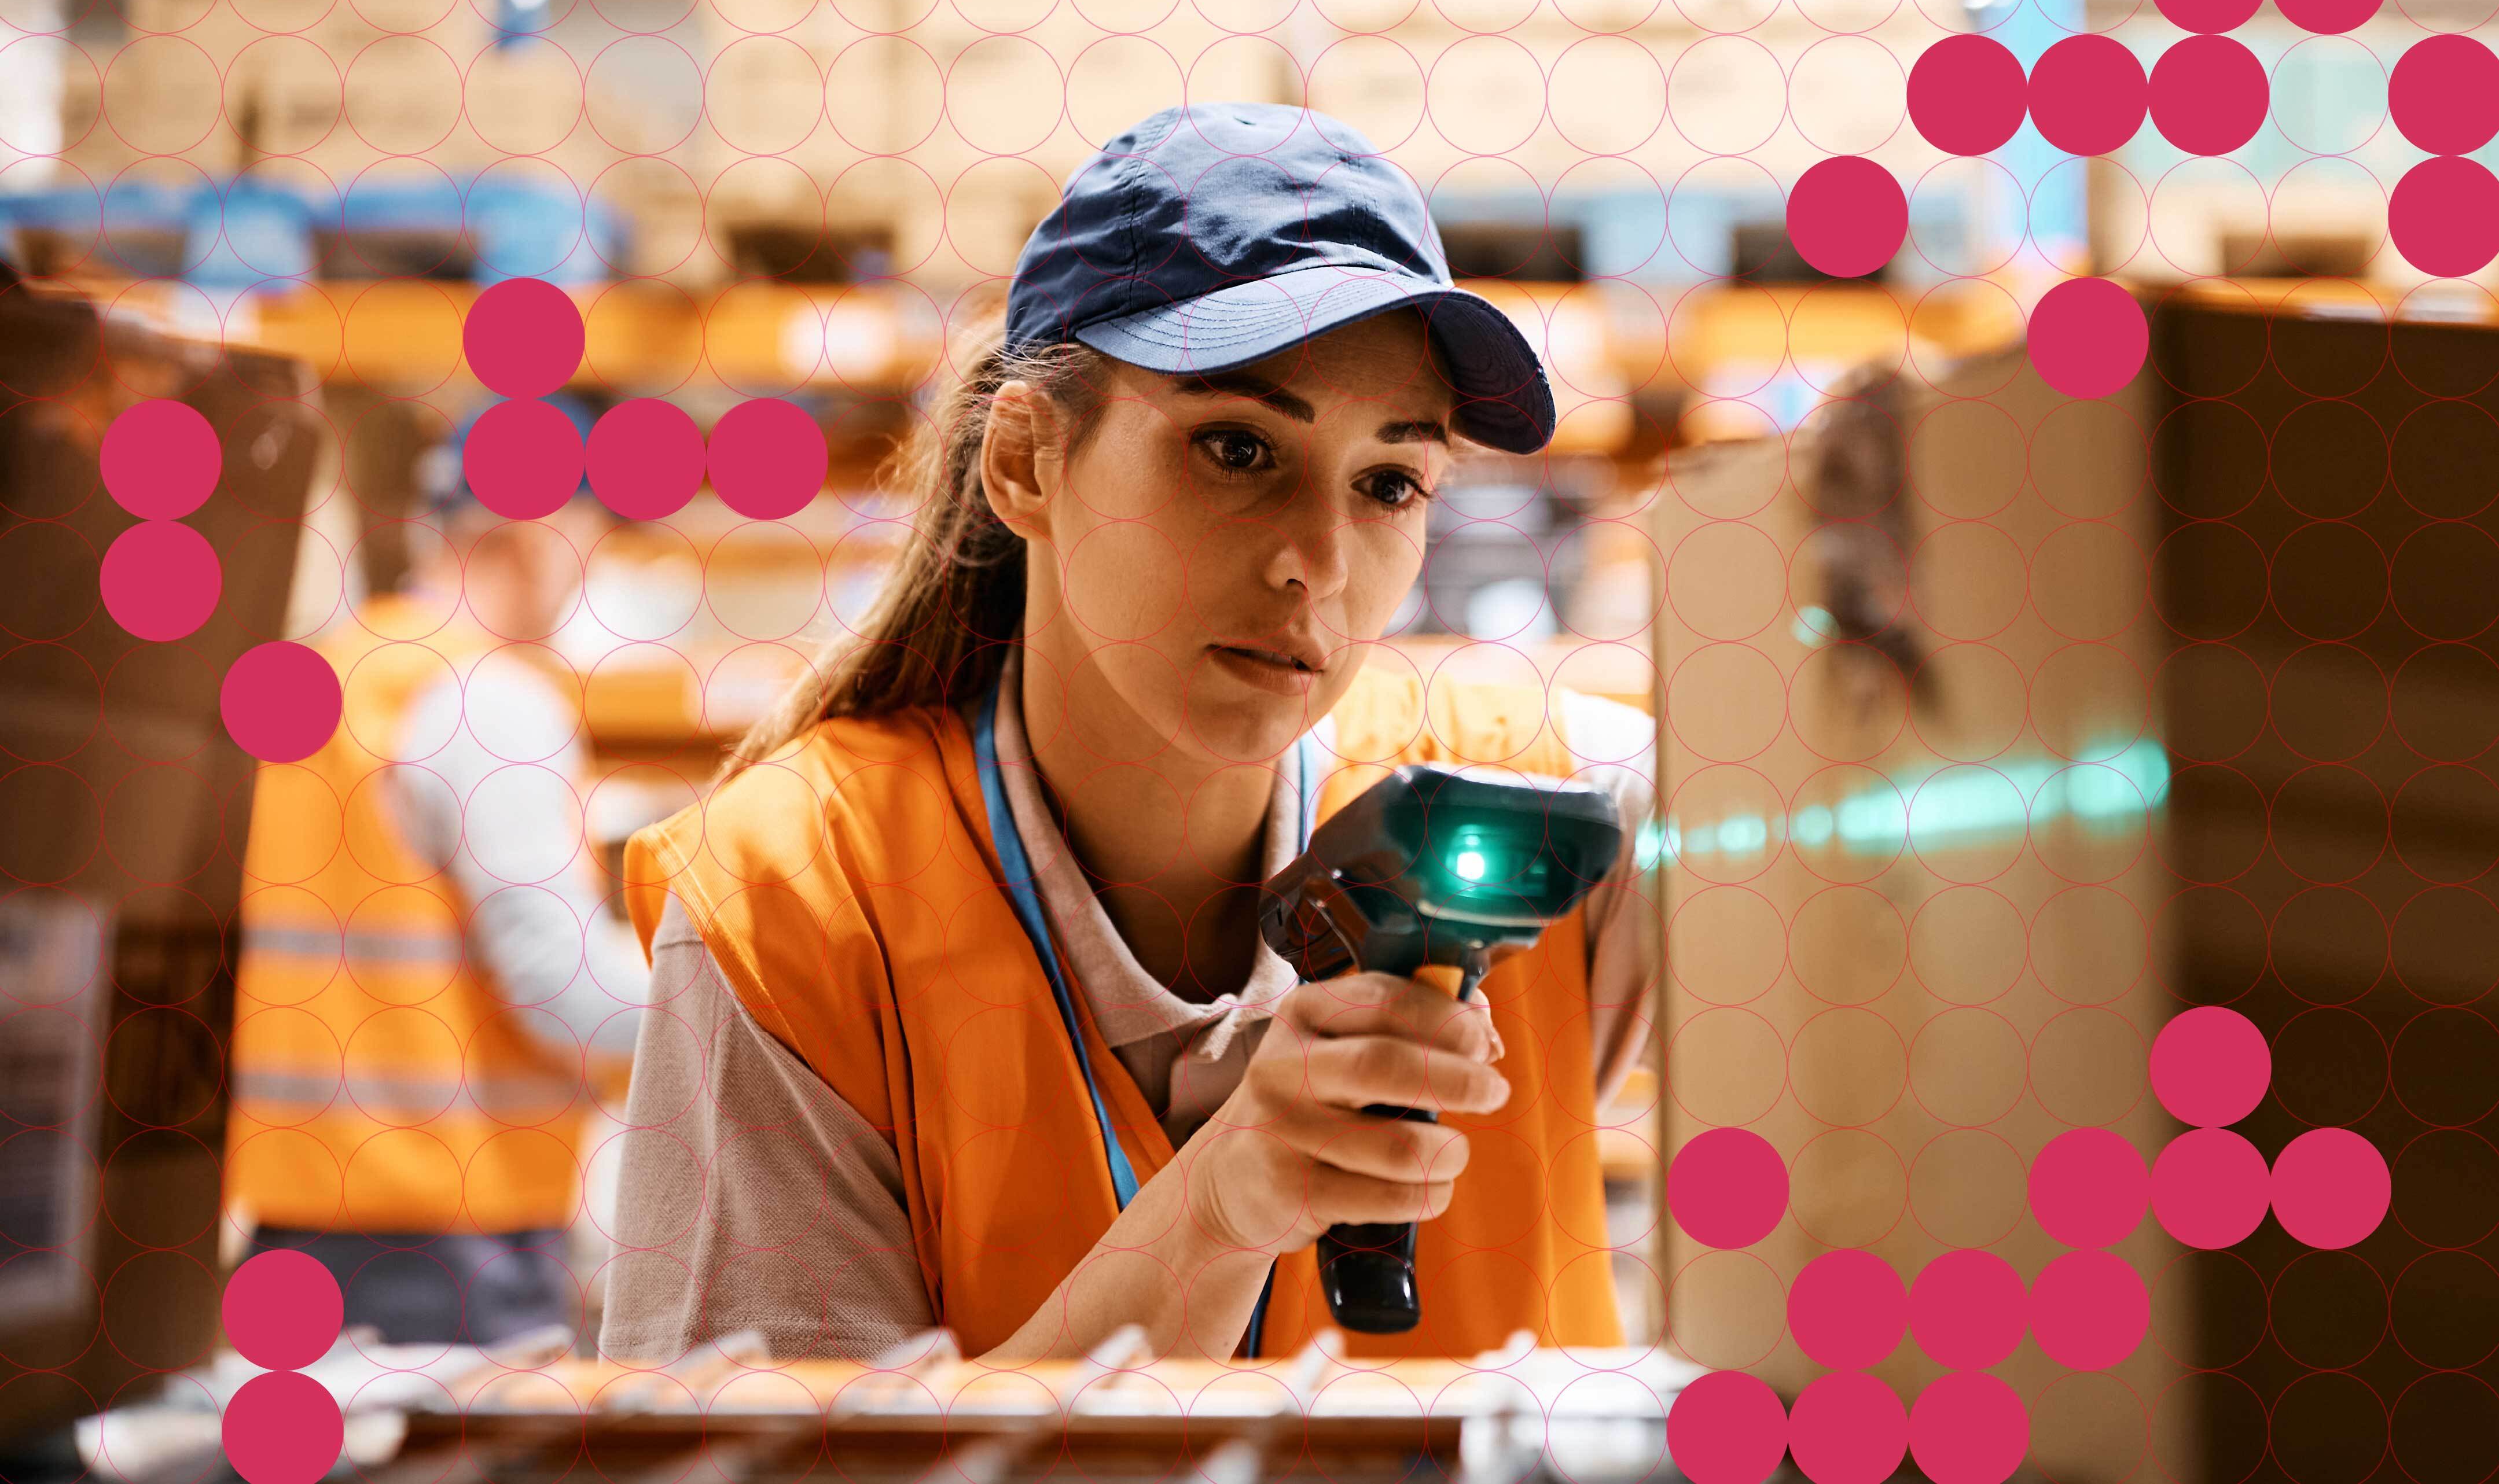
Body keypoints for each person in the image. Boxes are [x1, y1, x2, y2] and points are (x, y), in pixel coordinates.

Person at [597, 102, 1659, 1369]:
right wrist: (1215, 1214)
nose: (1317, 564)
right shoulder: (795, 907)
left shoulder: (1557, 807)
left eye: (1390, 483)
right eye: (1234, 447)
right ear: (1028, 464)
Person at [227, 402, 649, 1347]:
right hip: (452, 1247)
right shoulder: (489, 701)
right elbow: (561, 990)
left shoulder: (324, 679)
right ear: (537, 531)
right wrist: (751, 1001)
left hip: (295, 1223)